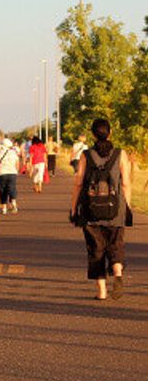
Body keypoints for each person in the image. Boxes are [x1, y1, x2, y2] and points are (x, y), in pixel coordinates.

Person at [70, 119, 132, 300]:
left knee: (95, 249)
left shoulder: (85, 155)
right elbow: (126, 183)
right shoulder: (121, 154)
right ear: (110, 133)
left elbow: (78, 183)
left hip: (91, 211)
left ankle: (102, 291)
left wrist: (74, 208)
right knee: (116, 245)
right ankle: (118, 274)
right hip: (116, 210)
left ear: (93, 135)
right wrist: (126, 207)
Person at [0, 138, 20, 214]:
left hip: (2, 174)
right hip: (12, 173)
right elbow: (17, 163)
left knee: (3, 190)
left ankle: (4, 208)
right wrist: (16, 171)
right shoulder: (14, 153)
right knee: (12, 188)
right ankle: (13, 202)